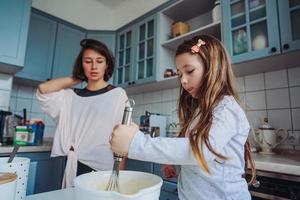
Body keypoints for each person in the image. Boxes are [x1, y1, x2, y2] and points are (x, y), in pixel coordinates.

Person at [110, 35, 256, 200]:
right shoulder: (199, 111)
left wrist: (135, 143)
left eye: (190, 71)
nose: (183, 81)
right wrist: (177, 162)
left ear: (212, 67)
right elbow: (194, 154)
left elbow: (202, 150)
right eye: (180, 74)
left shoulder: (227, 108)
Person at [37, 39, 128, 188]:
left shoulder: (117, 95)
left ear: (107, 65)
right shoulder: (69, 97)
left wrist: (118, 175)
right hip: (72, 164)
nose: (94, 66)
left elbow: (123, 138)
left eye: (99, 61)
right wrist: (78, 77)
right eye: (88, 61)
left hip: (102, 167)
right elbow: (43, 89)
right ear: (81, 65)